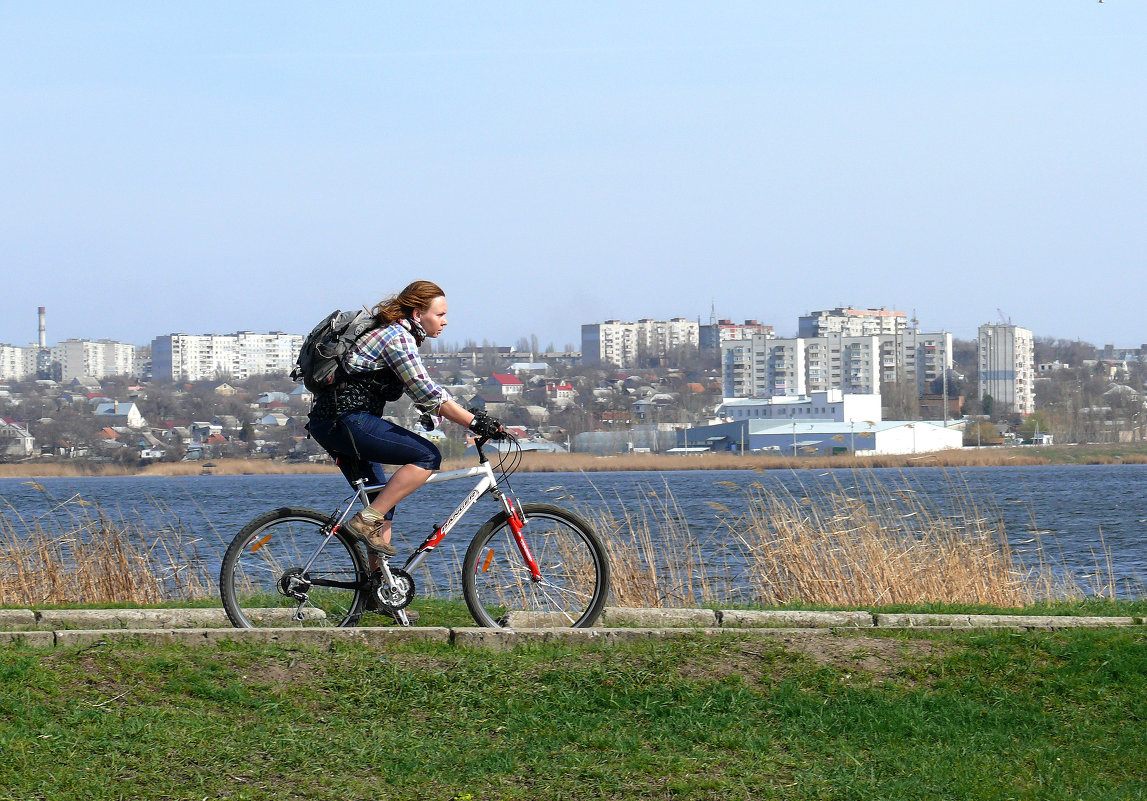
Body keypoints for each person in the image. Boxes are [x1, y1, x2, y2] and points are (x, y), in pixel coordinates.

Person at [306, 280, 504, 572]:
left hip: (334, 422)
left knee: (382, 501)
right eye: (439, 314)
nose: (445, 321)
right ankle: (364, 522)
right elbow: (428, 393)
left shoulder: (393, 335)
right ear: (417, 314)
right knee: (427, 457)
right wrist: (474, 422)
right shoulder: (397, 337)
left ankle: (378, 593)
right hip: (346, 419)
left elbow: (421, 395)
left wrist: (450, 414)